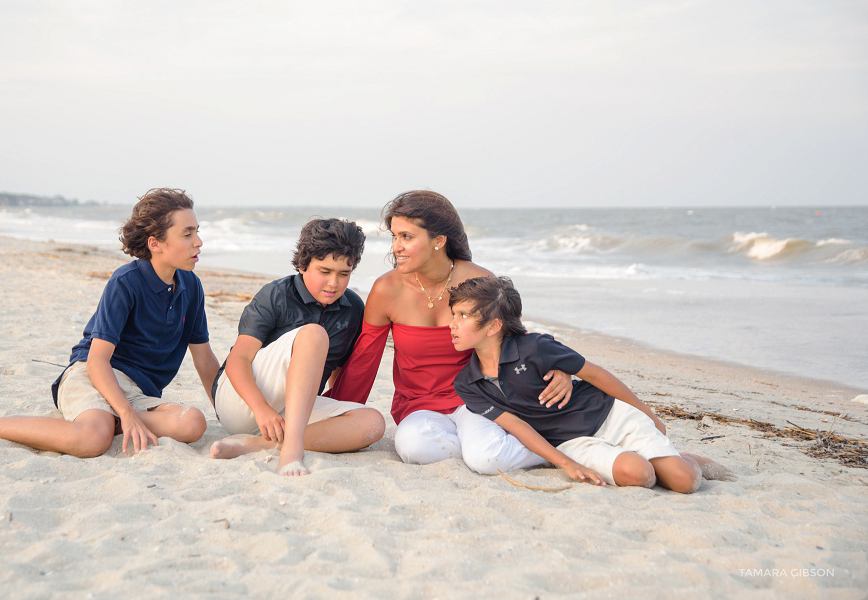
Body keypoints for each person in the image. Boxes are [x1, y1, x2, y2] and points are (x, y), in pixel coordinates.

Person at [0, 188, 220, 457]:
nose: (198, 242)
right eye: (187, 233)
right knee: (92, 440)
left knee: (192, 423)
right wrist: (124, 412)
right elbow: (97, 361)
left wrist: (231, 414)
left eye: (197, 231)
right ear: (155, 243)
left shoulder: (191, 287)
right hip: (95, 375)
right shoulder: (126, 283)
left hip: (138, 391)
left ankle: (111, 419)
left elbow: (204, 359)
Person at [324, 190, 574, 474]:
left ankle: (549, 449)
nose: (396, 247)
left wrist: (558, 367)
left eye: (407, 237)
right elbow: (363, 362)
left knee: (487, 459)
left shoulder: (479, 280)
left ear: (438, 241)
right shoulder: (386, 290)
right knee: (412, 448)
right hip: (418, 408)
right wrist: (336, 413)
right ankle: (490, 447)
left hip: (478, 401)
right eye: (394, 236)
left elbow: (514, 341)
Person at [449, 276, 719, 492]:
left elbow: (596, 375)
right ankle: (658, 458)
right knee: (640, 475)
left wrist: (646, 412)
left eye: (462, 316)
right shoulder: (467, 383)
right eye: (453, 315)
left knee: (683, 481)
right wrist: (566, 463)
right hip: (570, 443)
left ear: (494, 326)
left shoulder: (536, 347)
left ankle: (686, 460)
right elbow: (517, 426)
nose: (452, 325)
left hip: (608, 415)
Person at [209, 218, 386, 476]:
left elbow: (338, 371)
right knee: (314, 334)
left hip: (293, 410)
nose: (334, 283)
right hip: (241, 401)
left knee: (372, 423)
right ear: (303, 266)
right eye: (324, 272)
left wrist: (336, 414)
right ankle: (291, 452)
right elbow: (239, 360)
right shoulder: (275, 295)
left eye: (344, 274)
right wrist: (261, 409)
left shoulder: (353, 308)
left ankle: (257, 445)